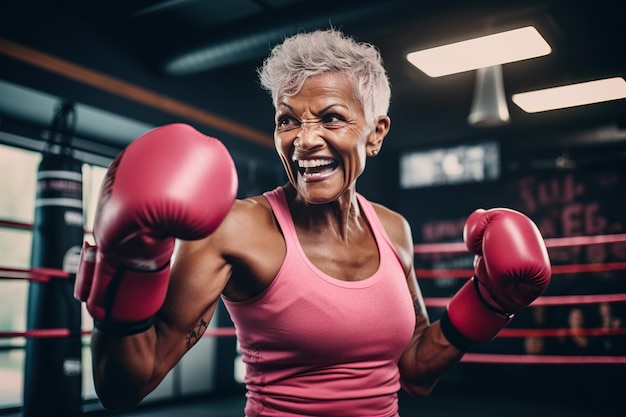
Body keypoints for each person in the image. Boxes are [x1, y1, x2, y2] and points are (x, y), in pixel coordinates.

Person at [74, 29, 552, 416]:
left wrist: (488, 305)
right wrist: (128, 266)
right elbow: (125, 387)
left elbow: (415, 372)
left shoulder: (394, 229)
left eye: (330, 118)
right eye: (287, 121)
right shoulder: (237, 229)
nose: (304, 141)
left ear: (375, 133)